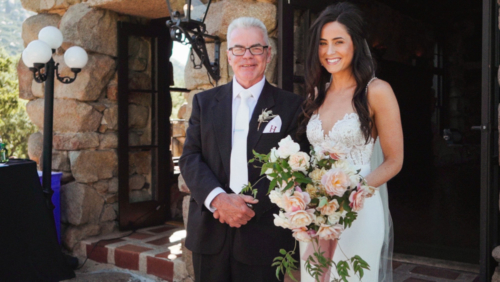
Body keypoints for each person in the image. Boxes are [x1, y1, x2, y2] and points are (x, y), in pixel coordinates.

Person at [179, 17, 307, 282]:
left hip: (263, 234)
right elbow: (190, 158)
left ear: (268, 54)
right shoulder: (204, 102)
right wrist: (218, 199)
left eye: (256, 48)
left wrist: (244, 209)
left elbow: (295, 164)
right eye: (239, 48)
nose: (247, 56)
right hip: (209, 230)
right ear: (228, 55)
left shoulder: (291, 106)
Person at [298, 2, 404, 282]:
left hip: (360, 209)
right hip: (316, 211)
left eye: (338, 42)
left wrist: (352, 194)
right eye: (322, 43)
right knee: (314, 277)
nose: (329, 52)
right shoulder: (316, 94)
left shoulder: (377, 91)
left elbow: (394, 160)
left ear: (355, 44)